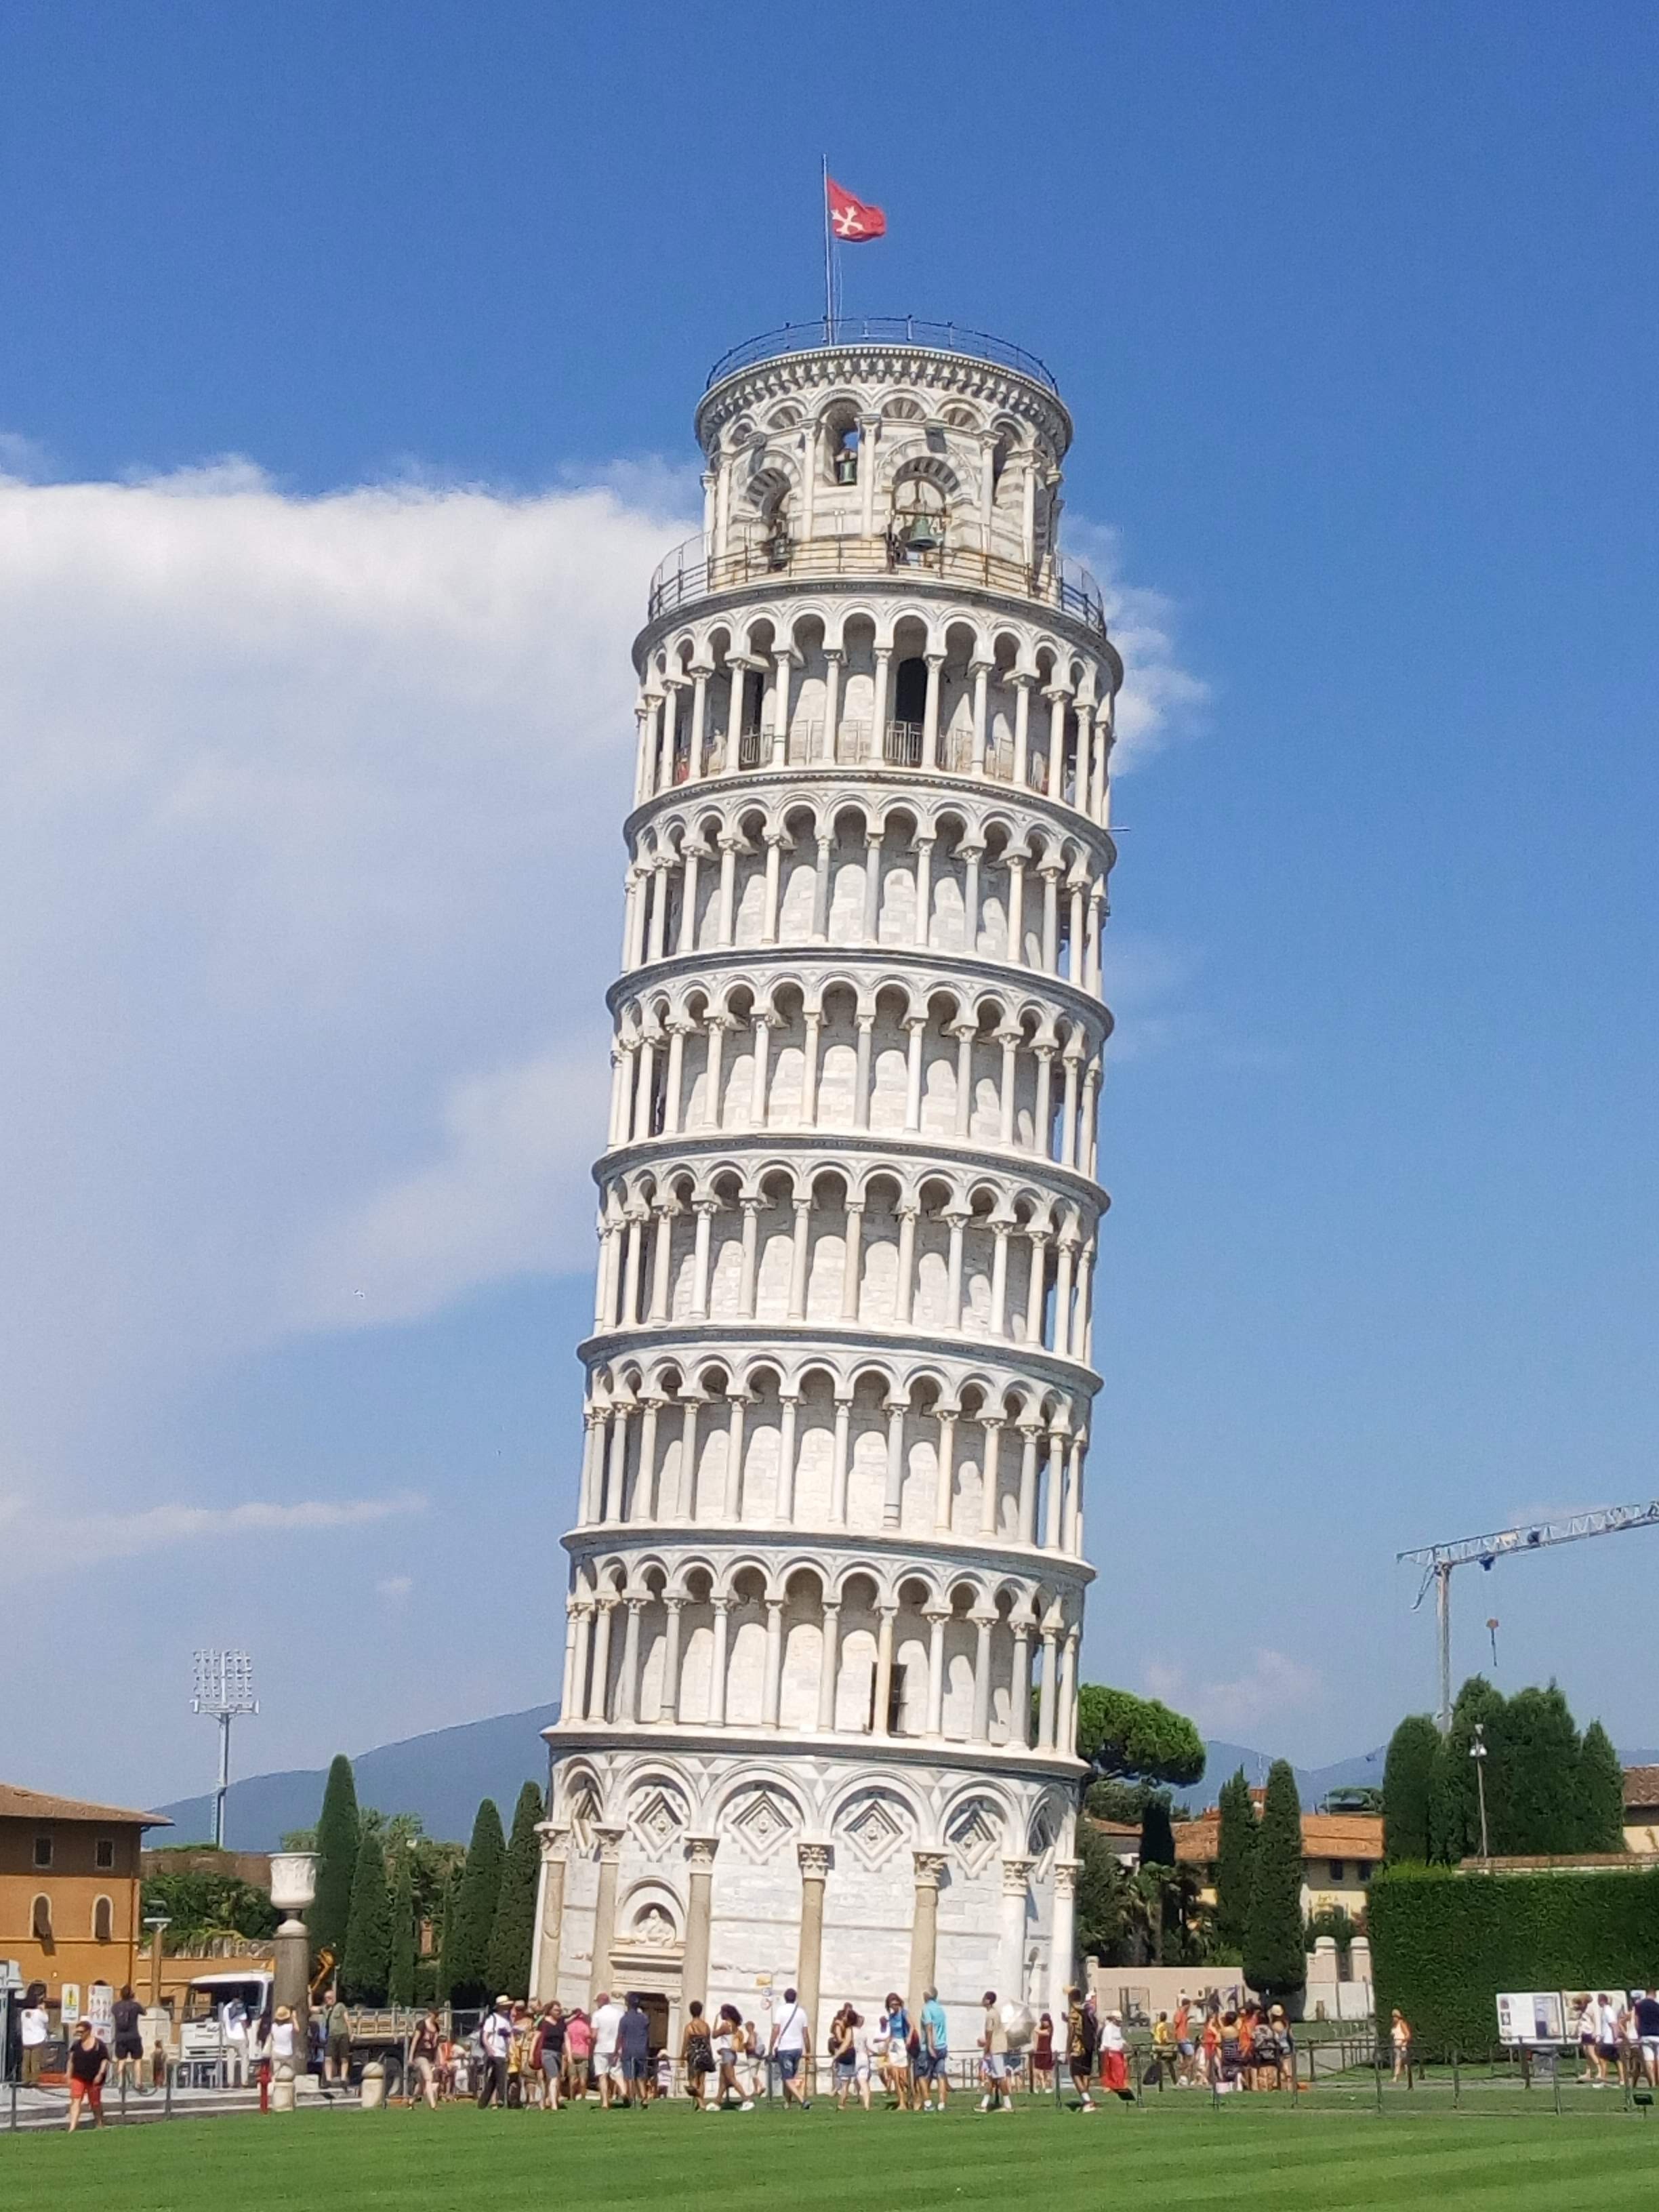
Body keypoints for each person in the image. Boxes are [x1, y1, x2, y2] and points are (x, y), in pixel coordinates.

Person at [769, 1984, 811, 2110]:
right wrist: (808, 2049)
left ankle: (802, 2101)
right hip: (797, 2048)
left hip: (785, 2048)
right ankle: (787, 2102)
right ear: (795, 1998)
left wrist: (771, 2045)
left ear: (785, 1998)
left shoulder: (781, 2011)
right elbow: (805, 2034)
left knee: (787, 2078)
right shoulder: (801, 2012)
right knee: (791, 2076)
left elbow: (776, 2030)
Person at [66, 2017, 109, 2131]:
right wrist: (69, 2074)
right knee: (76, 2100)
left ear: (88, 2031)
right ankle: (72, 2127)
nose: (79, 2034)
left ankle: (99, 2122)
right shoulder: (76, 2045)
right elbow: (71, 2060)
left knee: (95, 2103)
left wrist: (100, 2074)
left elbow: (104, 2060)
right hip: (78, 2076)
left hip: (94, 2078)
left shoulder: (99, 2045)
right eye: (77, 2032)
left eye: (81, 2032)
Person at [713, 2003, 753, 2110]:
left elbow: (714, 2035)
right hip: (730, 2054)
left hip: (727, 2054)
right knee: (723, 2081)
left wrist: (715, 2021)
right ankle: (717, 2102)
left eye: (722, 2012)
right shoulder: (734, 2025)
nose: (721, 2014)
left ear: (726, 2013)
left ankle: (746, 2099)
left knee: (731, 2078)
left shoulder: (726, 2025)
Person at [978, 1990, 1012, 2112]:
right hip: (998, 2046)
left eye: (984, 1998)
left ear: (988, 2001)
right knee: (992, 2076)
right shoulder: (995, 2013)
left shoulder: (990, 2014)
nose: (982, 2000)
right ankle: (984, 2104)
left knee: (1000, 2076)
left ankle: (1008, 2104)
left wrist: (986, 2049)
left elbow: (989, 2033)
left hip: (996, 2047)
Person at [830, 2007, 870, 2112]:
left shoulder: (850, 2030)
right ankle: (867, 2105)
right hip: (864, 2057)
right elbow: (866, 2046)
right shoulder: (862, 2031)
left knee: (845, 2082)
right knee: (863, 2082)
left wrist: (837, 2055)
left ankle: (841, 2104)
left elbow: (845, 2044)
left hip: (855, 2057)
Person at [477, 1994, 513, 2108]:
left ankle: (482, 2103)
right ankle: (503, 2099)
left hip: (504, 2052)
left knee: (494, 2078)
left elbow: (509, 2037)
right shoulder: (492, 2019)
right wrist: (489, 2048)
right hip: (495, 2052)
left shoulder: (507, 2021)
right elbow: (485, 2036)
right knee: (502, 2076)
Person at [110, 1984, 145, 2097]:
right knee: (137, 2060)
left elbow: (113, 2014)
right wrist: (137, 2001)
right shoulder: (135, 2006)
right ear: (132, 1995)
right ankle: (138, 2083)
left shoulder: (115, 2007)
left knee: (121, 2060)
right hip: (134, 2036)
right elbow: (144, 2012)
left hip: (120, 2037)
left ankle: (121, 2084)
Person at [618, 1992, 652, 2108]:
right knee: (641, 2076)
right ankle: (644, 2098)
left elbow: (620, 2037)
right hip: (641, 2050)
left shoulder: (624, 2019)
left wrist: (616, 2050)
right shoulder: (644, 2018)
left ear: (628, 2004)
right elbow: (647, 2035)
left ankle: (631, 2098)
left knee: (629, 2076)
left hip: (629, 2049)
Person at [918, 1986, 949, 2110]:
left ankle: (927, 2103)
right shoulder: (940, 2009)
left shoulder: (927, 2008)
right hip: (942, 2045)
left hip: (929, 2046)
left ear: (927, 1996)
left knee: (922, 2075)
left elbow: (929, 2026)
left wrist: (930, 2046)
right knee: (941, 2075)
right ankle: (942, 2103)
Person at [1065, 1986, 1097, 2110]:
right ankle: (1086, 2100)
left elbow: (1072, 2032)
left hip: (1077, 2047)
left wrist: (1068, 2048)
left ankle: (1087, 2101)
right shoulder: (1086, 2010)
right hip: (1088, 2046)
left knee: (1075, 2074)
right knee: (1085, 2074)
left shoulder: (1074, 2012)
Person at [881, 1991, 912, 2109]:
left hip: (902, 2043)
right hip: (894, 2044)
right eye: (891, 2005)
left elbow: (912, 2026)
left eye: (896, 2004)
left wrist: (909, 2037)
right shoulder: (891, 2017)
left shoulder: (904, 2014)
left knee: (903, 2076)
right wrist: (886, 2043)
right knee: (895, 2074)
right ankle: (902, 2102)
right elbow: (892, 2033)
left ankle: (909, 2095)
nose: (894, 2007)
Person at [681, 2000, 714, 2110]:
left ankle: (701, 2103)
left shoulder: (689, 2027)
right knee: (702, 2081)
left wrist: (682, 2056)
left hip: (694, 2054)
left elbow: (685, 2042)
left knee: (693, 2080)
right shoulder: (706, 2026)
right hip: (705, 2053)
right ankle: (700, 2103)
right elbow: (708, 2041)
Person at [532, 2003, 565, 2111]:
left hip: (558, 2053)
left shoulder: (561, 2023)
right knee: (554, 2077)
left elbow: (566, 2039)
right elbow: (535, 2038)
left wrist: (568, 2054)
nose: (558, 2012)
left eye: (559, 2010)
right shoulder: (543, 2023)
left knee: (549, 2080)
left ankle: (542, 2103)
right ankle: (554, 2104)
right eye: (556, 2010)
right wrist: (531, 2054)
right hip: (546, 2052)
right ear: (550, 2011)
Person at [408, 2009, 441, 2110]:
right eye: (435, 2014)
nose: (436, 2017)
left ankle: (411, 2101)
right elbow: (414, 2041)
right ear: (430, 2014)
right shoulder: (421, 2025)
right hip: (420, 2056)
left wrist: (436, 2059)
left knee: (422, 2083)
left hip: (429, 2057)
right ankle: (433, 2105)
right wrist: (410, 2057)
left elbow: (436, 2046)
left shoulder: (436, 2027)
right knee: (429, 2078)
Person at [20, 1987, 49, 2088]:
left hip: (26, 2040)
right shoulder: (38, 2013)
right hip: (38, 2039)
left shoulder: (24, 2013)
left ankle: (25, 2080)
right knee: (35, 2062)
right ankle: (34, 2080)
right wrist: (44, 2010)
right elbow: (46, 2020)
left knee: (25, 2062)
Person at [1100, 2009, 1132, 2101]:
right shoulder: (1108, 2028)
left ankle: (1119, 2085)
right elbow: (1107, 2042)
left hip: (1118, 2051)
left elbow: (1119, 2038)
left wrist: (1125, 2044)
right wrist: (1109, 2053)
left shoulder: (1117, 2028)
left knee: (1121, 2068)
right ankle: (1115, 2086)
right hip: (1112, 2052)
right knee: (1116, 2070)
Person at [322, 1988, 351, 2087]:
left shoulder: (340, 2006)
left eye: (329, 1998)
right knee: (328, 2058)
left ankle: (343, 2079)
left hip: (342, 2034)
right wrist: (309, 1995)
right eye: (326, 1998)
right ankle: (328, 2080)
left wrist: (351, 2034)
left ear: (334, 1998)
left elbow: (347, 2020)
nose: (327, 2000)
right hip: (331, 2036)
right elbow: (312, 2008)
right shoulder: (325, 2009)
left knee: (344, 2058)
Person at [220, 1993, 249, 2087]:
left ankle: (230, 2082)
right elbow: (243, 2023)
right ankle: (244, 2082)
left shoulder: (226, 2009)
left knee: (230, 2060)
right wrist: (247, 2036)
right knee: (244, 2059)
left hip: (230, 2037)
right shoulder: (240, 2007)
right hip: (241, 2037)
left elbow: (224, 2023)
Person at [565, 2006, 592, 2100]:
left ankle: (572, 2097)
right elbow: (589, 2038)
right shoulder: (585, 2026)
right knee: (583, 2078)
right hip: (583, 2053)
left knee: (572, 2077)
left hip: (572, 2053)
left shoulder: (569, 2026)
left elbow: (567, 2040)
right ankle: (583, 2096)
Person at [1632, 1988, 1659, 2084]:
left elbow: (1636, 2021)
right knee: (1658, 2058)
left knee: (1649, 2059)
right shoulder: (1657, 2006)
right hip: (1657, 2035)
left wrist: (1638, 2032)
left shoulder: (1639, 2005)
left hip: (1645, 2035)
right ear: (1654, 1995)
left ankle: (1653, 2082)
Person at [1389, 2006, 1412, 2085]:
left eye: (1395, 2017)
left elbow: (1408, 2035)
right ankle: (1400, 2077)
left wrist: (1402, 2042)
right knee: (1400, 2062)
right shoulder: (1394, 2026)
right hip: (1396, 2046)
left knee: (1401, 2061)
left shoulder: (1402, 2024)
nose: (1393, 2019)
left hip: (1402, 2046)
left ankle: (1400, 2077)